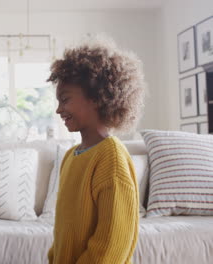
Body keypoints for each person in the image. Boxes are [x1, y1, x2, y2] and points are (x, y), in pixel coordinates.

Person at [47, 36, 145, 263]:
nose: (58, 109)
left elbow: (113, 244)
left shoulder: (111, 157)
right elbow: (63, 233)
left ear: (95, 98)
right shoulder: (71, 156)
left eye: (65, 99)